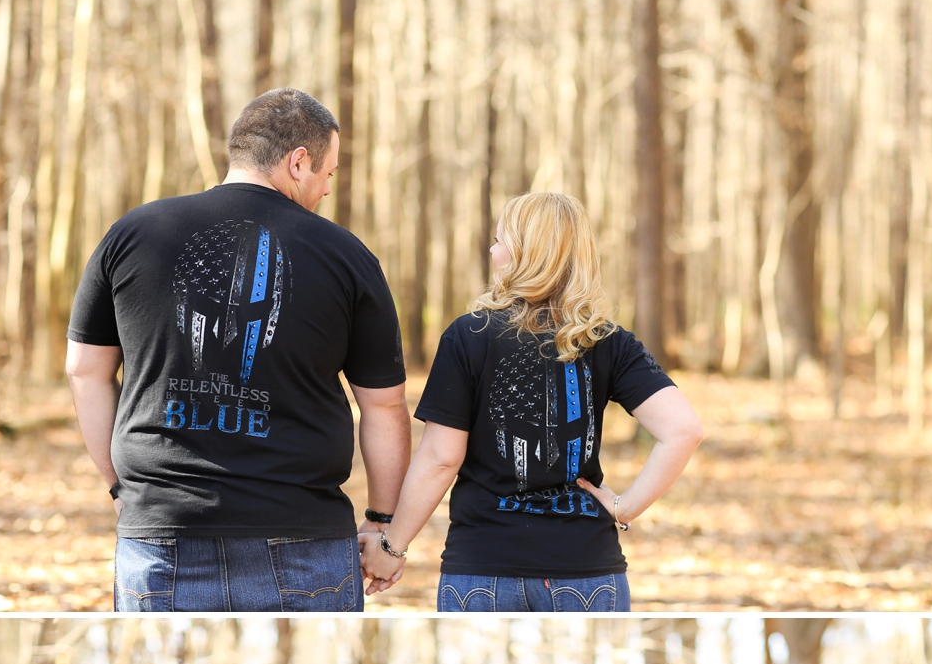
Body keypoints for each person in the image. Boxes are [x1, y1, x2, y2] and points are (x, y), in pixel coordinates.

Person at [66, 87, 410, 612]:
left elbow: (85, 372)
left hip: (160, 537)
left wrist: (123, 491)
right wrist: (383, 525)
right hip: (305, 544)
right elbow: (383, 405)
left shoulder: (133, 234)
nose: (324, 189)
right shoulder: (348, 258)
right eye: (327, 173)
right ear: (299, 162)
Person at [358, 192, 703, 611]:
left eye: (501, 240)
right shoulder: (607, 340)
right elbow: (683, 430)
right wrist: (623, 506)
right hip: (588, 572)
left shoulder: (468, 335)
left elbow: (440, 457)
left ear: (525, 254)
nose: (492, 250)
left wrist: (391, 547)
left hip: (483, 569)